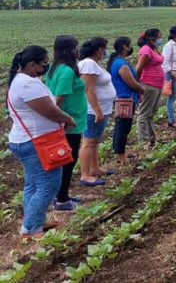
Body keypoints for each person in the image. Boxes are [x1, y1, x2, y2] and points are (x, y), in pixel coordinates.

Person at [7, 46, 76, 239]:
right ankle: (31, 229)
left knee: (33, 185)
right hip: (37, 143)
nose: (47, 65)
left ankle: (36, 220)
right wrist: (68, 119)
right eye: (44, 63)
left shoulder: (22, 81)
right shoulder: (27, 85)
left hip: (28, 140)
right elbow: (51, 111)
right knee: (49, 185)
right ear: (32, 64)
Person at [46, 36, 92, 210]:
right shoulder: (66, 71)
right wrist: (64, 119)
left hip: (72, 120)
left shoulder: (55, 67)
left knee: (64, 160)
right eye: (75, 47)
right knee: (68, 161)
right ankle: (62, 199)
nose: (77, 50)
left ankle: (60, 194)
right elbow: (58, 99)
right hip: (71, 122)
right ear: (68, 50)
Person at [78, 37, 116, 183]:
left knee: (95, 140)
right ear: (100, 49)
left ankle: (95, 168)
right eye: (105, 48)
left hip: (102, 108)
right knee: (88, 141)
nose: (106, 51)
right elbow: (89, 90)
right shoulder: (88, 64)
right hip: (92, 110)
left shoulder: (94, 64)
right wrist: (97, 110)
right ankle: (85, 175)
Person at [108, 37, 146, 164]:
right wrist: (141, 89)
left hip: (126, 98)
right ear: (125, 46)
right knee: (123, 127)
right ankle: (121, 154)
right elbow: (131, 83)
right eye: (129, 45)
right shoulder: (121, 64)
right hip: (125, 99)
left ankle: (119, 150)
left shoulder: (120, 61)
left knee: (122, 126)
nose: (131, 48)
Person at [135, 29, 164, 148]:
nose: (161, 39)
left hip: (158, 85)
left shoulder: (153, 48)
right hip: (149, 85)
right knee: (144, 114)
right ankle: (144, 141)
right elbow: (138, 69)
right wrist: (138, 86)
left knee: (152, 113)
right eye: (160, 37)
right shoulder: (146, 50)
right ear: (152, 38)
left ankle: (153, 139)